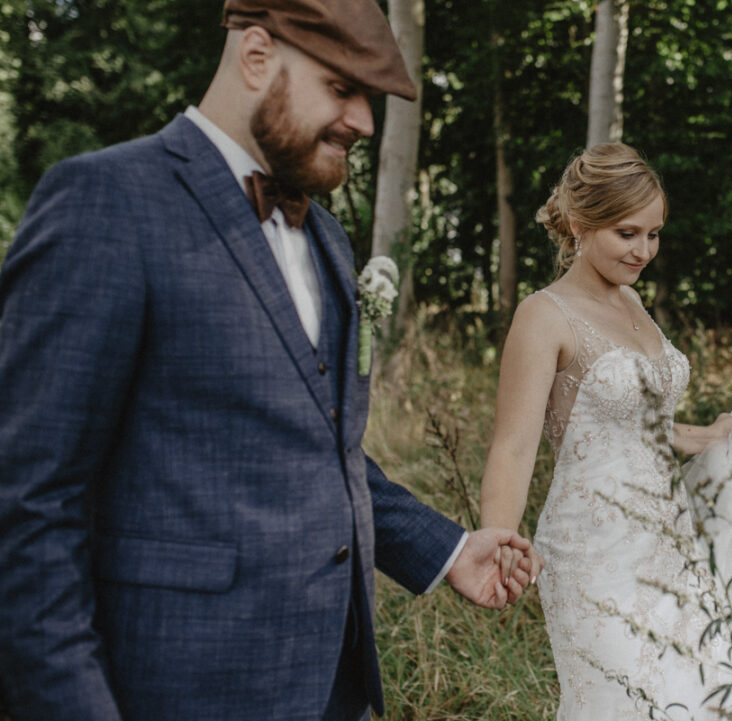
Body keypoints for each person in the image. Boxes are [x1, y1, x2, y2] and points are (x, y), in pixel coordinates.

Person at [0, 1, 539, 720]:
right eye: (342, 88)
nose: (365, 123)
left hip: (330, 691)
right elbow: (28, 505)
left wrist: (447, 550)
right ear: (257, 56)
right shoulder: (106, 203)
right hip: (172, 689)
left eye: (370, 99)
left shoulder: (328, 238)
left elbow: (323, 449)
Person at [479, 143, 732, 720]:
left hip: (671, 544)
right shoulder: (544, 314)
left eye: (654, 234)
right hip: (594, 552)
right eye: (628, 234)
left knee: (698, 696)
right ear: (580, 225)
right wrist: (497, 543)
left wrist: (709, 434)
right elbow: (513, 445)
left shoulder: (632, 301)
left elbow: (638, 424)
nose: (644, 250)